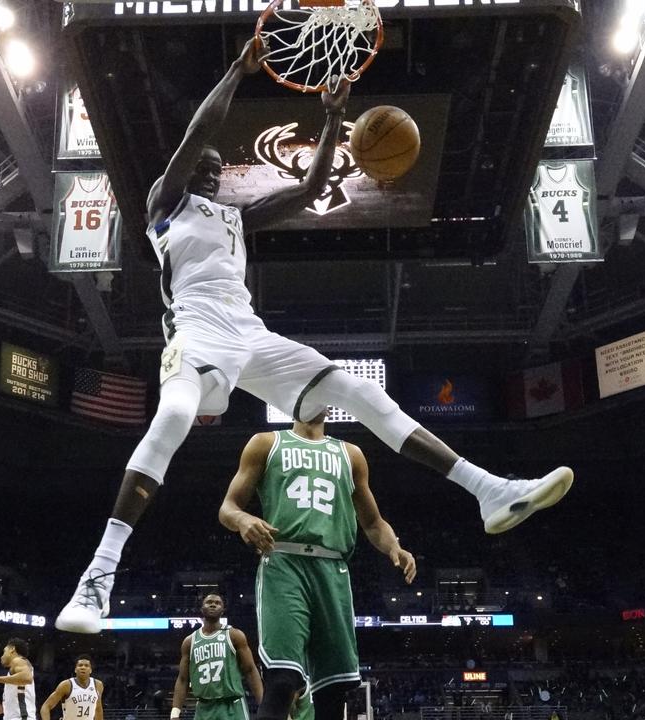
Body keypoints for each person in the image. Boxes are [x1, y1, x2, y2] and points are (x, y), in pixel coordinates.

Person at [55, 37, 574, 633]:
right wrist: (237, 71)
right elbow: (199, 130)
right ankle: (96, 580)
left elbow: (308, 189)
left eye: (218, 167)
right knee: (170, 418)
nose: (211, 165)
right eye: (205, 161)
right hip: (196, 335)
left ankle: (487, 489)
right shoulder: (165, 205)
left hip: (249, 334)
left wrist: (331, 120)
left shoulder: (235, 219)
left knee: (358, 392)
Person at [218, 409, 418, 720]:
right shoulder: (266, 443)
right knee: (283, 681)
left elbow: (373, 522)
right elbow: (228, 508)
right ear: (292, 400)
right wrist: (243, 519)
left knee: (332, 690)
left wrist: (395, 547)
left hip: (332, 567)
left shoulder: (350, 454)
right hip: (284, 562)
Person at [171, 594, 263, 720]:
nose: (213, 604)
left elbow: (250, 671)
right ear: (202, 609)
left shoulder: (234, 635)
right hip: (204, 708)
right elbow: (183, 679)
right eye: (209, 602)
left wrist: (263, 705)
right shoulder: (189, 642)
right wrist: (175, 712)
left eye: (218, 603)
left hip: (232, 706)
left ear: (223, 610)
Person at [0, 638, 37, 720]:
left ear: (12, 649)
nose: (1, 657)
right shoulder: (14, 671)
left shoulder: (18, 660)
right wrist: (3, 709)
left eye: (4, 652)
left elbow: (27, 678)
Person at [39, 655, 104, 720]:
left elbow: (98, 709)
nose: (83, 667)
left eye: (86, 665)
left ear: (90, 670)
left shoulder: (98, 685)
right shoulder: (66, 685)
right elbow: (45, 707)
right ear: (75, 669)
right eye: (80, 665)